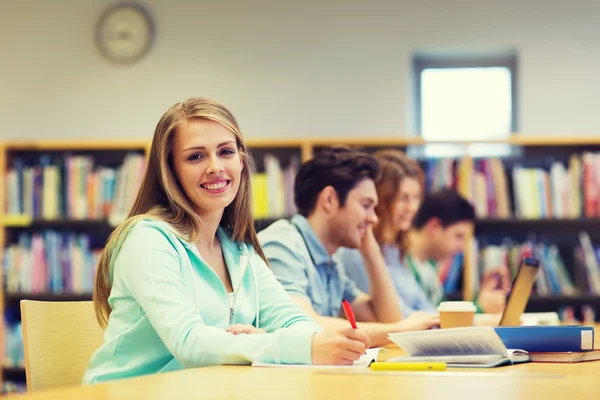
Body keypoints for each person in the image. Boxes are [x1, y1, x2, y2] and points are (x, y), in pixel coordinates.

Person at [82, 98, 370, 384]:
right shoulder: (147, 240)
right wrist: (268, 346)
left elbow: (298, 324)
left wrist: (261, 342)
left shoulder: (238, 249)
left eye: (226, 152)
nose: (215, 166)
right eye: (196, 156)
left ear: (241, 162)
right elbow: (190, 343)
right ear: (170, 171)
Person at [258, 146, 439, 348]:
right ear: (329, 200)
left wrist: (371, 253)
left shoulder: (331, 261)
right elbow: (301, 326)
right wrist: (401, 331)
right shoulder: (283, 245)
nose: (374, 218)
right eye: (365, 205)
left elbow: (384, 318)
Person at [338, 150, 436, 317]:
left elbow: (426, 307)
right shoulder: (357, 252)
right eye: (403, 198)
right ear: (381, 200)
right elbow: (396, 319)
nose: (412, 207)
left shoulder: (394, 250)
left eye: (416, 197)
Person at [404, 188, 510, 314]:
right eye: (458, 236)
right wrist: (479, 308)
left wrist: (481, 301)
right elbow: (432, 324)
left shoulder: (428, 266)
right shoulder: (400, 264)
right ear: (434, 227)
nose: (461, 247)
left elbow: (439, 315)